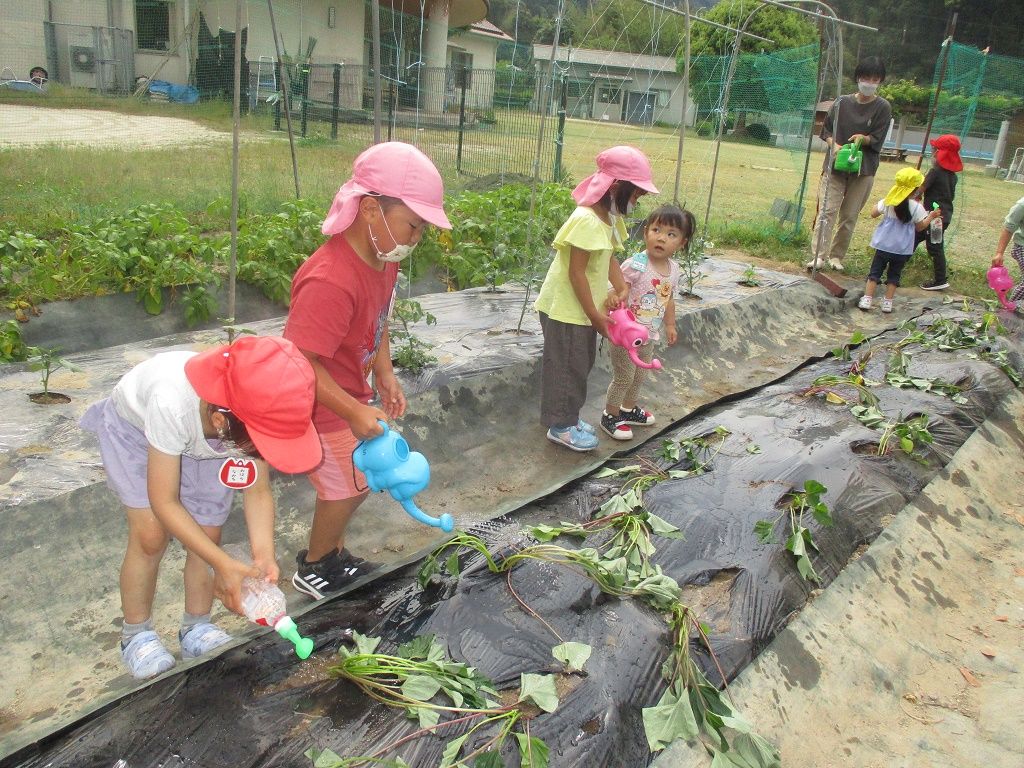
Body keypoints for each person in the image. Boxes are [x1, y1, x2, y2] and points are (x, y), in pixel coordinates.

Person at [79, 335, 322, 679]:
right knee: (150, 535)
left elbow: (257, 490)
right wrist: (223, 565)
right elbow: (164, 502)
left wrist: (263, 553)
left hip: (214, 440)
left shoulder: (250, 414)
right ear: (224, 421)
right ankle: (136, 634)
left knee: (208, 532)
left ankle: (196, 626)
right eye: (264, 443)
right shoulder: (171, 403)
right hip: (137, 432)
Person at [284, 141, 451, 599]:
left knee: (357, 481)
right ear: (372, 210)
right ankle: (315, 565)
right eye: (412, 225)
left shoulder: (381, 260)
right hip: (320, 400)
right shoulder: (331, 279)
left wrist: (384, 370)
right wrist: (353, 412)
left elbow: (379, 321)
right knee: (346, 487)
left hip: (349, 393)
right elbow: (299, 361)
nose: (415, 238)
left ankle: (333, 552)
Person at [535, 145, 659, 452]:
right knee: (567, 368)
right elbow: (577, 273)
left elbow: (610, 259)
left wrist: (621, 289)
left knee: (579, 364)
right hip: (567, 310)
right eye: (635, 195)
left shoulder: (608, 217)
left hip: (583, 309)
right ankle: (561, 427)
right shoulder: (586, 219)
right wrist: (594, 315)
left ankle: (569, 417)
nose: (636, 202)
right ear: (616, 187)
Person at [602, 204, 694, 440]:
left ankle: (629, 409)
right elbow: (617, 288)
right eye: (656, 230)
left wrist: (670, 325)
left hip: (649, 334)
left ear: (681, 243)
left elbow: (669, 298)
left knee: (640, 374)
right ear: (646, 233)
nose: (661, 238)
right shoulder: (637, 264)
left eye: (671, 234)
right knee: (624, 375)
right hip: (626, 335)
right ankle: (610, 416)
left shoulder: (673, 269)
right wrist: (613, 299)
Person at [807, 57, 893, 272]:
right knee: (827, 211)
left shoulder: (882, 107)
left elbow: (877, 138)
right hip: (835, 166)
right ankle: (818, 256)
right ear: (858, 78)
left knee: (849, 215)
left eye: (874, 79)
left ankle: (836, 257)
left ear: (880, 81)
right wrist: (833, 144)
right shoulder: (841, 102)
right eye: (866, 78)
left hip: (863, 170)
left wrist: (862, 139)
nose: (869, 83)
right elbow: (825, 130)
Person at [857, 168, 939, 314]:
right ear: (915, 189)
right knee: (894, 275)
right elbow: (920, 227)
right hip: (902, 248)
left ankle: (867, 298)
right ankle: (887, 302)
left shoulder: (888, 201)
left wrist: (878, 204)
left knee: (874, 272)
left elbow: (873, 213)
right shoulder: (917, 208)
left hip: (883, 245)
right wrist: (931, 216)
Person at [915, 134, 962, 291]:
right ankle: (896, 264)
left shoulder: (934, 172)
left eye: (934, 149)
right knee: (914, 237)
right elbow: (951, 196)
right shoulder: (953, 177)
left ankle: (940, 279)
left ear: (939, 153)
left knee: (935, 246)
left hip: (934, 218)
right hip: (944, 216)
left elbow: (920, 189)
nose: (932, 152)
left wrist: (913, 198)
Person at [991, 195, 1024, 304]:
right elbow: (1008, 228)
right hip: (1021, 247)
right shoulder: (1022, 205)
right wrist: (999, 253)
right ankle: (1011, 309)